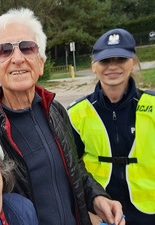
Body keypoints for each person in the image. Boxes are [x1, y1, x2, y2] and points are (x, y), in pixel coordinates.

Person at [0, 8, 125, 225]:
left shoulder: (55, 111)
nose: (18, 58)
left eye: (27, 48)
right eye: (4, 50)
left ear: (40, 63)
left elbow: (76, 165)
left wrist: (96, 197)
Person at [68, 28, 155, 225]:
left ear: (132, 62)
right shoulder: (76, 113)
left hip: (149, 212)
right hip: (100, 212)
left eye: (120, 59)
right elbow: (72, 167)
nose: (112, 67)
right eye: (105, 61)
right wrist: (90, 209)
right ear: (93, 66)